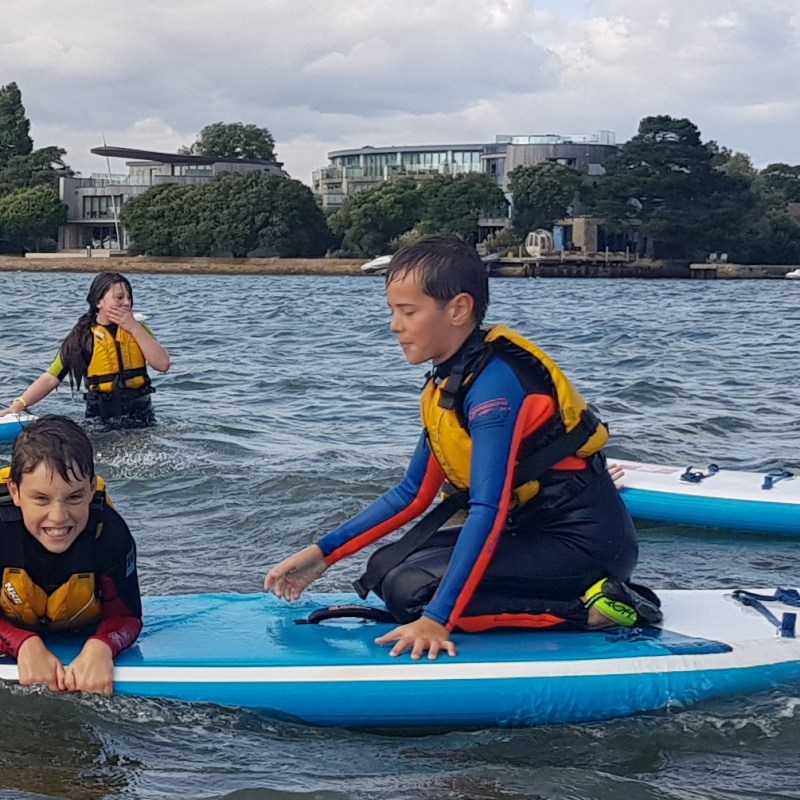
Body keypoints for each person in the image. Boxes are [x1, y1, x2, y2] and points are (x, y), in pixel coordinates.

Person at [265, 234, 659, 660]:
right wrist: (322, 555)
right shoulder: (453, 380)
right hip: (530, 532)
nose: (395, 325)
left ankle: (595, 610)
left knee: (411, 591)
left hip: (585, 546)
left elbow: (488, 510)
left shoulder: (495, 386)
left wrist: (437, 618)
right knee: (388, 566)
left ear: (458, 309)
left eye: (408, 311)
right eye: (393, 311)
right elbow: (412, 494)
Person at [0, 414, 142, 694]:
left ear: (91, 489)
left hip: (81, 629)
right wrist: (22, 643)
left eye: (74, 497)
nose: (58, 517)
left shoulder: (109, 534)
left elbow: (128, 616)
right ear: (15, 491)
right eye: (41, 498)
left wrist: (102, 646)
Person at [0, 272, 170, 427]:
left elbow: (162, 364)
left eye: (129, 298)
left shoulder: (139, 328)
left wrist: (133, 327)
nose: (126, 303)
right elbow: (51, 377)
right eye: (119, 298)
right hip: (99, 421)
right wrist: (19, 404)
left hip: (143, 418)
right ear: (98, 302)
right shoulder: (82, 335)